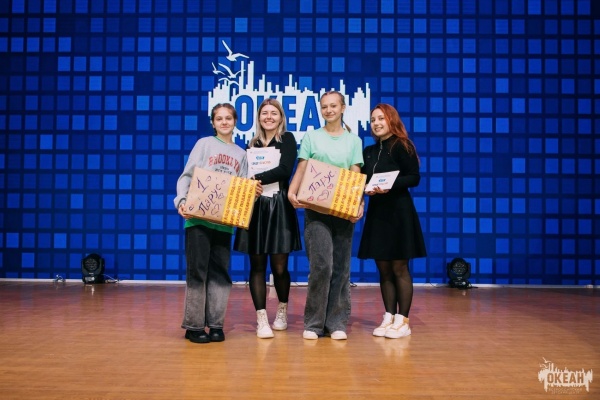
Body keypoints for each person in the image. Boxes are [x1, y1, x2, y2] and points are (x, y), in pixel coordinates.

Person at [174, 103, 261, 344]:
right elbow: (187, 175)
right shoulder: (204, 144)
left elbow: (242, 187)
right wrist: (181, 200)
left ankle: (215, 324)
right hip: (198, 218)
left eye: (228, 118)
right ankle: (193, 326)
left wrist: (252, 192)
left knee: (220, 274)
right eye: (219, 118)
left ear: (235, 122)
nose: (224, 122)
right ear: (213, 123)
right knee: (197, 271)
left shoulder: (241, 154)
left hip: (223, 222)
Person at [288, 90, 364, 341]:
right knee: (321, 266)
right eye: (324, 106)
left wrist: (358, 203)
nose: (329, 110)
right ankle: (313, 324)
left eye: (333, 106)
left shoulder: (354, 141)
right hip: (316, 211)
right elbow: (302, 167)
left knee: (341, 268)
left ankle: (337, 322)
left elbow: (354, 175)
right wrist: (291, 191)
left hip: (342, 211)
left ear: (343, 108)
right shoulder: (312, 136)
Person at [234, 99, 302, 339]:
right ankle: (261, 318)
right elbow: (242, 175)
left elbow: (285, 170)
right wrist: (247, 182)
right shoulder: (251, 144)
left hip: (279, 206)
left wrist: (255, 179)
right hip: (255, 207)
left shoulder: (288, 139)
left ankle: (282, 310)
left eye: (274, 113)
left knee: (280, 266)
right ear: (259, 117)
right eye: (265, 113)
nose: (269, 117)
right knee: (257, 265)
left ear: (281, 117)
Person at [358, 103, 427, 339]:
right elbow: (361, 180)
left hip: (399, 213)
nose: (376, 123)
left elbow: (414, 178)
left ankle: (403, 320)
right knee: (384, 268)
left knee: (399, 267)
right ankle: (388, 316)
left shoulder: (402, 145)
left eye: (381, 119)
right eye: (373, 120)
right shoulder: (368, 151)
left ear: (391, 120)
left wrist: (388, 185)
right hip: (378, 214)